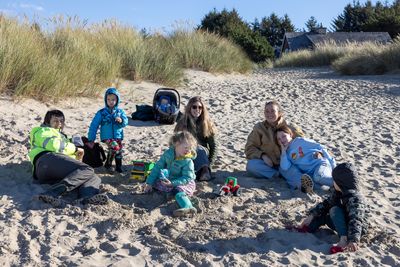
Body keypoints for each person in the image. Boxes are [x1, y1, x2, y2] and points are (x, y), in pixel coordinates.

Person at [28, 109, 108, 207]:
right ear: (47, 122)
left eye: (61, 121)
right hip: (46, 161)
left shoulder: (62, 136)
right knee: (87, 169)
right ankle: (53, 193)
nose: (59, 124)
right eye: (55, 121)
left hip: (54, 172)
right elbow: (55, 145)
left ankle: (86, 198)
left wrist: (77, 146)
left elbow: (64, 154)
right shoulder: (43, 130)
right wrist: (74, 148)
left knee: (93, 176)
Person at [296, 163, 369, 253]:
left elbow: (356, 220)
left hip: (356, 230)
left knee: (334, 210)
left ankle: (343, 240)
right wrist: (311, 216)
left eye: (334, 180)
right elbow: (325, 204)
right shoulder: (338, 193)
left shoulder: (355, 198)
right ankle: (308, 227)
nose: (333, 182)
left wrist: (354, 240)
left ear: (341, 182)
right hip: (343, 222)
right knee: (324, 215)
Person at [244, 100, 305, 190]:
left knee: (299, 182)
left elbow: (303, 143)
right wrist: (263, 156)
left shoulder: (290, 126)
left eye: (273, 111)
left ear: (279, 113)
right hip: (269, 165)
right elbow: (250, 147)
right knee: (251, 165)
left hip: (287, 164)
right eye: (267, 111)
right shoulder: (259, 128)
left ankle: (291, 177)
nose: (269, 114)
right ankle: (277, 175)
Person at [143, 131, 197, 217]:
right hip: (170, 179)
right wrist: (149, 183)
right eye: (186, 147)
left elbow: (187, 178)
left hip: (183, 182)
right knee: (156, 183)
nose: (188, 150)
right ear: (176, 144)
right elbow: (157, 167)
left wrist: (173, 183)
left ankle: (188, 206)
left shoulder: (188, 161)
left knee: (178, 190)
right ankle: (171, 194)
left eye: (190, 148)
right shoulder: (168, 154)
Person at [277, 124, 336, 192]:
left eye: (283, 136)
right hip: (310, 173)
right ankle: (332, 188)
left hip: (320, 164)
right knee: (313, 184)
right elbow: (285, 167)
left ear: (290, 135)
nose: (282, 140)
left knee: (318, 177)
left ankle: (342, 184)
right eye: (279, 139)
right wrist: (283, 152)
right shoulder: (286, 153)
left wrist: (333, 164)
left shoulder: (300, 141)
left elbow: (320, 147)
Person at [174, 96, 217, 181]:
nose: (197, 109)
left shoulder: (207, 124)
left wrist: (209, 163)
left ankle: (205, 171)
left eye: (200, 107)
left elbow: (213, 146)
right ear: (189, 108)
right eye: (194, 107)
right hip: (185, 151)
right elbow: (175, 142)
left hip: (202, 152)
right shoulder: (182, 123)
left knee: (198, 149)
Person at [87, 87, 128, 173]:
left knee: (119, 150)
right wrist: (91, 139)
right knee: (115, 147)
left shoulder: (120, 112)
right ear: (106, 100)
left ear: (117, 100)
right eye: (108, 99)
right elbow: (94, 125)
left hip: (118, 135)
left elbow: (125, 122)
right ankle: (108, 164)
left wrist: (121, 120)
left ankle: (118, 166)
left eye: (113, 99)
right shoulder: (101, 113)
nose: (111, 101)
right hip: (107, 136)